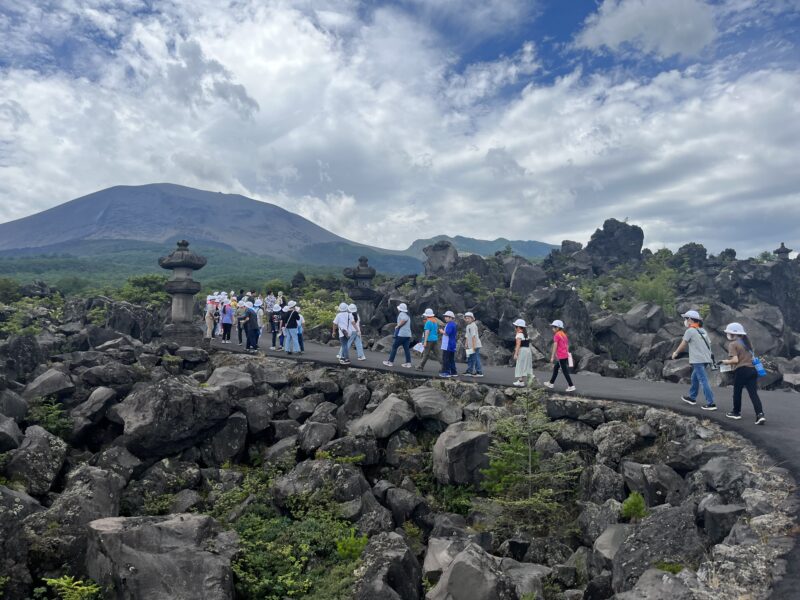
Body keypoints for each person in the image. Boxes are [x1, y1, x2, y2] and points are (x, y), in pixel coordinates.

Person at [720, 323, 765, 424]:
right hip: (753, 370)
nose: (728, 335)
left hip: (742, 371)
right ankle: (760, 414)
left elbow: (735, 360)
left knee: (737, 392)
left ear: (733, 334)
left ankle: (736, 412)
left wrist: (724, 361)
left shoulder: (733, 344)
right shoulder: (748, 343)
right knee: (753, 394)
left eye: (729, 333)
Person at [671, 310, 716, 410]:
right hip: (706, 359)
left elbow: (683, 345)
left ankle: (711, 403)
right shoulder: (703, 330)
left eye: (686, 319)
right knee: (694, 377)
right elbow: (709, 344)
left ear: (690, 320)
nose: (685, 321)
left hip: (698, 360)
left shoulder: (690, 331)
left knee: (703, 380)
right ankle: (692, 397)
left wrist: (676, 353)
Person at [544, 320, 575, 392]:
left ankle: (571, 385)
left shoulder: (557, 335)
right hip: (564, 355)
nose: (552, 329)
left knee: (564, 371)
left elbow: (555, 346)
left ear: (557, 328)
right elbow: (567, 345)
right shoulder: (564, 334)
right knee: (556, 368)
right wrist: (566, 353)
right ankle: (551, 383)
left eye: (553, 327)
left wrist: (552, 356)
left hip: (561, 356)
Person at [383, 303, 412, 368]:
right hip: (408, 335)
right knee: (406, 349)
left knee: (394, 347)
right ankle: (408, 363)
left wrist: (398, 326)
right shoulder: (407, 315)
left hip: (401, 334)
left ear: (400, 309)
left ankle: (390, 362)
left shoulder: (402, 314)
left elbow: (404, 320)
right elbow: (405, 319)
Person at [512, 318, 535, 387]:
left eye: (516, 326)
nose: (515, 328)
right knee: (526, 365)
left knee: (520, 365)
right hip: (528, 350)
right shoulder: (526, 334)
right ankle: (523, 380)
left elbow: (518, 345)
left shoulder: (519, 335)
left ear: (518, 327)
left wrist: (516, 354)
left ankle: (522, 380)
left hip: (522, 351)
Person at [463, 311, 483, 377]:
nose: (467, 319)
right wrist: (466, 344)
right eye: (466, 318)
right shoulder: (468, 326)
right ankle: (469, 371)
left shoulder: (473, 326)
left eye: (469, 318)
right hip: (470, 345)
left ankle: (479, 372)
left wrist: (474, 347)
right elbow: (467, 336)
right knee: (470, 358)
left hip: (475, 345)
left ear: (472, 318)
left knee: (476, 358)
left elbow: (474, 337)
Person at [439, 310, 458, 378]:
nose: (445, 318)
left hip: (448, 345)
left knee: (446, 358)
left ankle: (446, 372)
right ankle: (453, 372)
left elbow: (447, 333)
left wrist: (441, 331)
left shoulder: (450, 324)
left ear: (451, 318)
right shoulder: (452, 324)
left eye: (447, 317)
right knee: (451, 359)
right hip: (451, 344)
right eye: (445, 316)